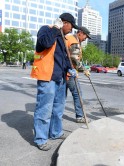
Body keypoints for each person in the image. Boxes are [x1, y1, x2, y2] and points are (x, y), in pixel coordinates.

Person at [30, 13, 78, 151]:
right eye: (71, 26)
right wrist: (56, 28)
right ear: (64, 23)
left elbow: (63, 58)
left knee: (58, 109)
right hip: (47, 77)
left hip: (61, 78)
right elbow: (43, 44)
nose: (72, 30)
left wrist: (70, 68)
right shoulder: (46, 29)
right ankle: (40, 138)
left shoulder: (63, 38)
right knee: (44, 109)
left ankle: (55, 132)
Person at [65, 26, 91, 123]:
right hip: (69, 73)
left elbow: (76, 58)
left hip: (64, 72)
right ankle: (80, 116)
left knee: (61, 98)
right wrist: (84, 70)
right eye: (85, 36)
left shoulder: (71, 39)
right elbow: (74, 60)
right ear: (80, 33)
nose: (85, 39)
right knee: (78, 94)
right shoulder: (74, 41)